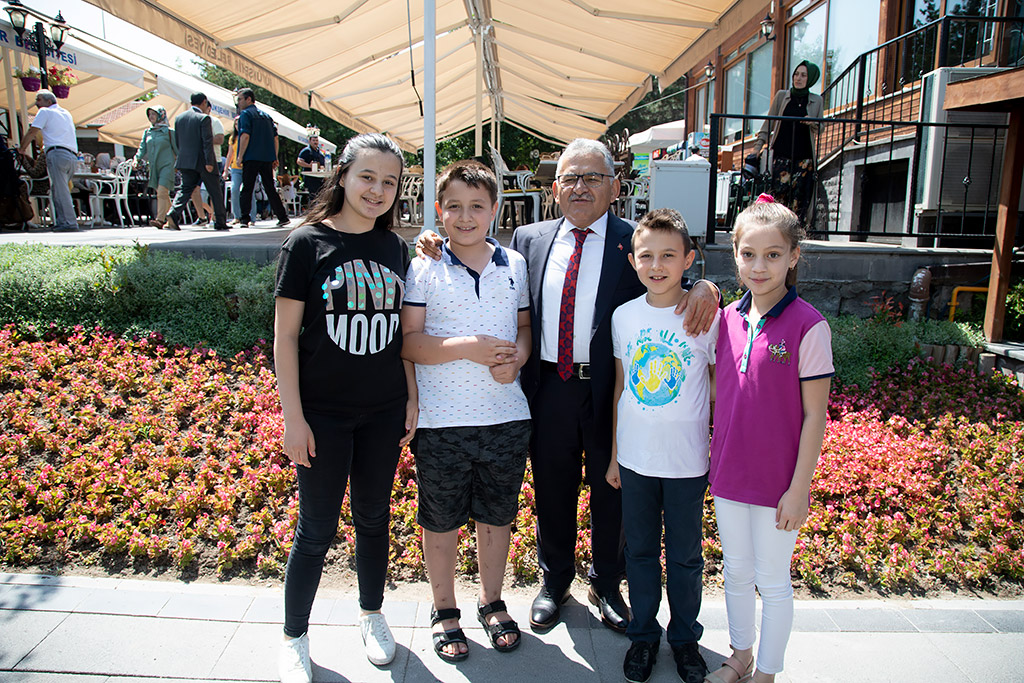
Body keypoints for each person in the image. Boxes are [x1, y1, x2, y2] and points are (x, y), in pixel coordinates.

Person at [418, 138, 720, 636]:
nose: (580, 187)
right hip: (548, 386)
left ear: (615, 187)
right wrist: (428, 242)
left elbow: (672, 272)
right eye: (571, 178)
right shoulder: (528, 239)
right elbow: (472, 252)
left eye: (593, 177)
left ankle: (606, 582)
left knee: (612, 490)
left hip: (610, 391)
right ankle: (555, 579)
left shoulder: (633, 241)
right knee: (551, 487)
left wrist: (706, 287)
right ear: (554, 187)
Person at [273, 133, 417, 683]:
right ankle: (294, 635)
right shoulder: (306, 244)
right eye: (368, 177)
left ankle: (371, 613)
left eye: (389, 182)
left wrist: (410, 395)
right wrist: (293, 418)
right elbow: (285, 338)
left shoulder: (394, 248)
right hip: (324, 414)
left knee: (374, 518)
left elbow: (404, 332)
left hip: (382, 411)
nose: (378, 190)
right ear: (342, 175)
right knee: (315, 529)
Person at [401, 161, 531, 662]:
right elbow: (408, 343)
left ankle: (492, 600)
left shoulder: (514, 265)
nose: (465, 215)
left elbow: (523, 330)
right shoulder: (424, 266)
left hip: (505, 416)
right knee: (441, 519)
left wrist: (517, 357)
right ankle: (443, 609)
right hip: (441, 421)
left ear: (495, 210)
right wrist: (468, 345)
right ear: (438, 211)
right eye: (453, 206)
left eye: (477, 206)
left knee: (497, 516)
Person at [706, 195, 832, 683]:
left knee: (773, 582)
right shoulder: (728, 319)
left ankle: (768, 673)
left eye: (773, 255)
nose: (759, 267)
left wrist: (799, 488)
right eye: (748, 254)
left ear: (794, 256)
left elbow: (815, 416)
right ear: (735, 254)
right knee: (736, 572)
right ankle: (741, 655)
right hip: (729, 473)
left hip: (779, 482)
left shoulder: (808, 325)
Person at [605, 208, 718, 683]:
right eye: (646, 255)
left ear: (688, 259)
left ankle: (685, 639)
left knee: (687, 557)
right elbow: (619, 388)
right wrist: (613, 455)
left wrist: (709, 289)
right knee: (641, 554)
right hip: (634, 459)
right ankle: (643, 636)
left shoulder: (705, 315)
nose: (657, 265)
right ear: (632, 261)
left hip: (687, 461)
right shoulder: (623, 317)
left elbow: (717, 387)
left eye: (669, 255)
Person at [755, 61, 824, 227]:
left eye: (803, 75)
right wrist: (759, 146)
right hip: (782, 154)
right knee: (779, 194)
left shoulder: (816, 100)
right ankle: (776, 228)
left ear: (811, 79)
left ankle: (795, 232)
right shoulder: (782, 96)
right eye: (796, 74)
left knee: (799, 197)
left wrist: (812, 122)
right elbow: (769, 123)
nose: (798, 78)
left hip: (804, 157)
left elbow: (821, 127)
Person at [163, 92, 228, 231]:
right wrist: (210, 162)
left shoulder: (179, 118)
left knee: (185, 188)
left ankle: (173, 213)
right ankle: (220, 221)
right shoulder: (204, 118)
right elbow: (207, 142)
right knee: (215, 190)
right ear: (204, 102)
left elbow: (178, 141)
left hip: (185, 160)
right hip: (202, 160)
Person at [17, 90, 78, 232]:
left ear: (48, 102)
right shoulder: (66, 113)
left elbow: (32, 131)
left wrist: (22, 149)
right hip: (72, 156)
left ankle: (68, 223)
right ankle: (64, 221)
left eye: (39, 100)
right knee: (60, 189)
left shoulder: (45, 111)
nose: (36, 103)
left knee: (60, 191)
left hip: (57, 153)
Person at [236, 87, 290, 227]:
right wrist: (274, 156)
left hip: (251, 156)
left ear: (249, 99)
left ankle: (244, 219)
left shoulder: (245, 114)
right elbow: (275, 138)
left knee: (247, 188)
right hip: (266, 158)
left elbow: (245, 136)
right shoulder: (267, 116)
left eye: (240, 99)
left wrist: (240, 156)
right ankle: (282, 216)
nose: (238, 103)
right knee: (270, 188)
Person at [133, 105, 177, 228]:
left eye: (154, 114)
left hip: (167, 166)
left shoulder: (169, 132)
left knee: (162, 191)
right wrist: (136, 159)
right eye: (150, 114)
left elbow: (177, 150)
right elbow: (142, 149)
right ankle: (172, 218)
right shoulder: (147, 132)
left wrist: (180, 165)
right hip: (153, 167)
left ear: (161, 115)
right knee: (163, 194)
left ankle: (160, 219)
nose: (151, 117)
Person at [223, 117, 257, 225]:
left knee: (249, 192)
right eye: (236, 124)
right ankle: (237, 216)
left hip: (247, 167)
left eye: (240, 123)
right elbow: (230, 154)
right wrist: (225, 170)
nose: (238, 126)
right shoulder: (233, 138)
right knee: (234, 190)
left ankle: (252, 217)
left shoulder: (248, 136)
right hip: (235, 168)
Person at [296, 129, 326, 198]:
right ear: (309, 141)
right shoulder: (306, 151)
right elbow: (299, 161)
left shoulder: (321, 153)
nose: (315, 142)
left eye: (316, 140)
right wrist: (309, 165)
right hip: (310, 179)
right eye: (313, 140)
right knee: (313, 197)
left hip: (319, 179)